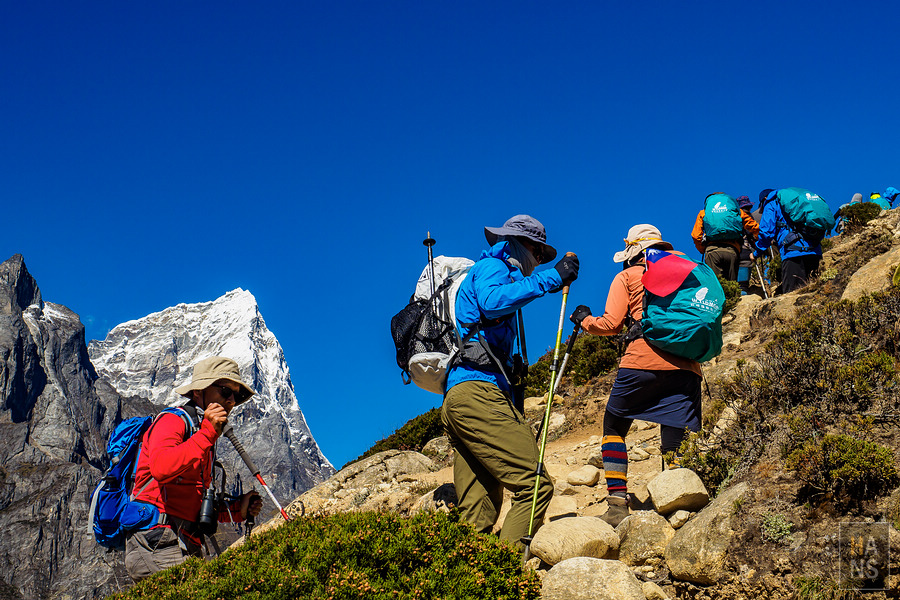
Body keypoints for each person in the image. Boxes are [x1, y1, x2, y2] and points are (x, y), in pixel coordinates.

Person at [440, 214, 578, 550]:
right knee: (535, 486)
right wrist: (553, 277)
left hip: (462, 399)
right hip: (477, 394)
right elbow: (490, 301)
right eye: (538, 251)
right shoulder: (493, 267)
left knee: (478, 512)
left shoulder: (503, 273)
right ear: (519, 242)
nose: (539, 260)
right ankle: (509, 577)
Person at [568, 225, 702, 526]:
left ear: (633, 254)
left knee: (614, 428)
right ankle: (675, 496)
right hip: (688, 365)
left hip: (641, 361)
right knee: (674, 424)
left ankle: (617, 504)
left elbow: (612, 324)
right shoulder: (690, 270)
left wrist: (584, 319)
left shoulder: (628, 276)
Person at [125, 356, 263, 582]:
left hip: (182, 541)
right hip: (158, 538)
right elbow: (161, 467)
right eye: (225, 391)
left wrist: (240, 509)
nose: (231, 401)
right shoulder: (173, 421)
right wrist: (207, 434)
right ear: (198, 392)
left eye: (236, 396)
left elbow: (195, 501)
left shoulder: (200, 435)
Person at [755, 188, 822, 294]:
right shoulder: (797, 202)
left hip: (792, 253)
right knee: (813, 294)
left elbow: (766, 232)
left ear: (764, 199)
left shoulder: (772, 203)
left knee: (792, 295)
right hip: (814, 250)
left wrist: (756, 253)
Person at [691, 193, 759, 281]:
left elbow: (696, 236)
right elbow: (754, 227)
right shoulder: (736, 211)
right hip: (732, 250)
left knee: (716, 284)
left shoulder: (704, 213)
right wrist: (759, 241)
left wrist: (702, 249)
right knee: (731, 286)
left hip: (712, 251)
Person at [735, 196, 759, 294]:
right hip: (746, 253)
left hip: (733, 251)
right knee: (743, 286)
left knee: (731, 285)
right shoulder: (749, 217)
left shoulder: (732, 217)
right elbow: (753, 235)